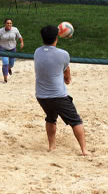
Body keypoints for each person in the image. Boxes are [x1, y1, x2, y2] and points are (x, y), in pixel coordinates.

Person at [34, 25, 87, 156]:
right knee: (76, 121)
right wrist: (67, 79)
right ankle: (84, 150)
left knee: (51, 118)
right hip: (58, 96)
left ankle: (52, 147)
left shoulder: (37, 52)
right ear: (57, 38)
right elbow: (66, 71)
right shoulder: (63, 54)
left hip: (41, 96)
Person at [0, 18, 24, 83]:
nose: (9, 24)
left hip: (12, 49)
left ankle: (9, 68)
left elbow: (20, 37)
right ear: (5, 24)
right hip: (3, 49)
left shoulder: (15, 29)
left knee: (11, 64)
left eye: (10, 23)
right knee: (5, 62)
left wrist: (22, 42)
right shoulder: (0, 31)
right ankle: (5, 78)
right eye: (7, 23)